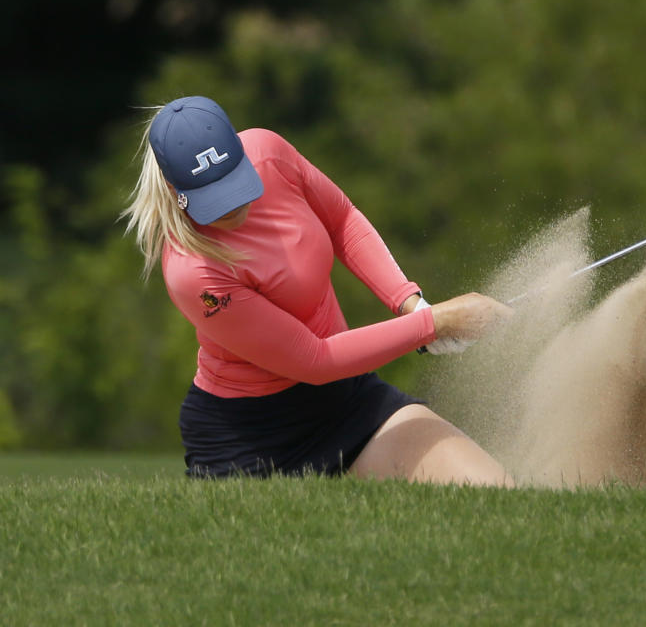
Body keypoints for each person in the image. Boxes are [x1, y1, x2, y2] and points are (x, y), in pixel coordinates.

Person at [122, 95, 513, 486]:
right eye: (213, 195)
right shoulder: (192, 272)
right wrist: (435, 323)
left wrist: (411, 304)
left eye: (235, 181)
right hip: (245, 440)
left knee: (496, 491)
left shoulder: (270, 153)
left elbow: (342, 219)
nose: (232, 205)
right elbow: (315, 359)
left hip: (346, 399)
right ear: (176, 190)